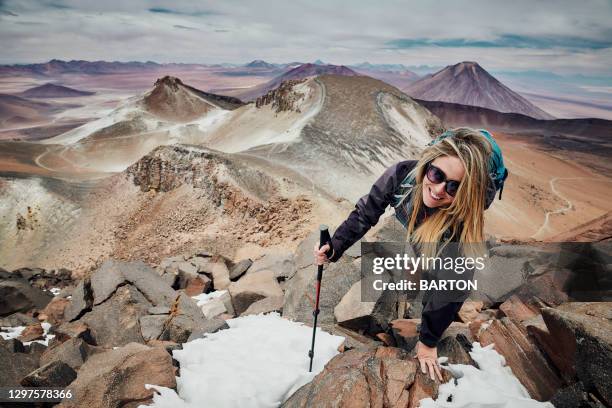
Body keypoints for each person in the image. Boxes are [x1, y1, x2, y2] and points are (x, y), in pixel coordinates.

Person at [313, 127, 508, 382]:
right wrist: (336, 246)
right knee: (422, 245)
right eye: (436, 174)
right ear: (427, 164)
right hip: (423, 221)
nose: (438, 189)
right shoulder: (403, 174)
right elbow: (366, 212)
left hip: (448, 226)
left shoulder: (461, 223)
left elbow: (453, 286)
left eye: (453, 187)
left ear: (465, 193)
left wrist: (428, 341)